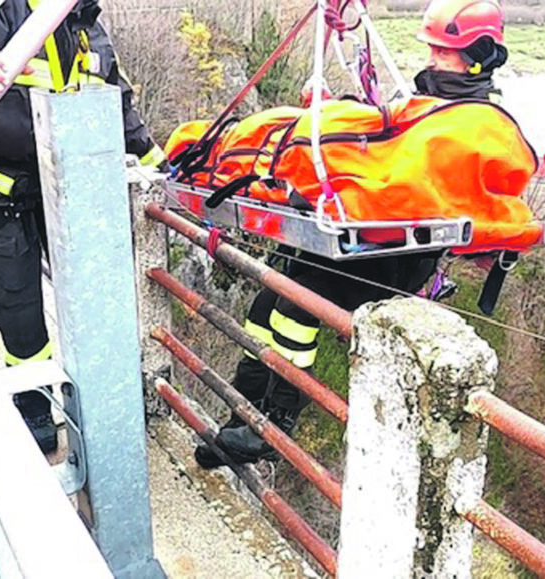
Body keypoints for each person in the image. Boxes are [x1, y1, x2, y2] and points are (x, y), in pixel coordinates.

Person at [194, 0, 511, 469]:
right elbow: (389, 142)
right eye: (432, 50)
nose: (431, 60)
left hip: (396, 256)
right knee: (266, 305)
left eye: (443, 53)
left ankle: (275, 425)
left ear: (478, 56)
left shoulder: (474, 124)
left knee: (296, 305)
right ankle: (242, 416)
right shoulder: (430, 103)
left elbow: (419, 181)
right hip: (365, 238)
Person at [0, 0, 164, 453]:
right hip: (5, 186)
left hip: (71, 185)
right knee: (16, 298)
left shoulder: (86, 22)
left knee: (94, 295)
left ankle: (99, 403)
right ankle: (34, 402)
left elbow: (118, 100)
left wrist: (157, 162)